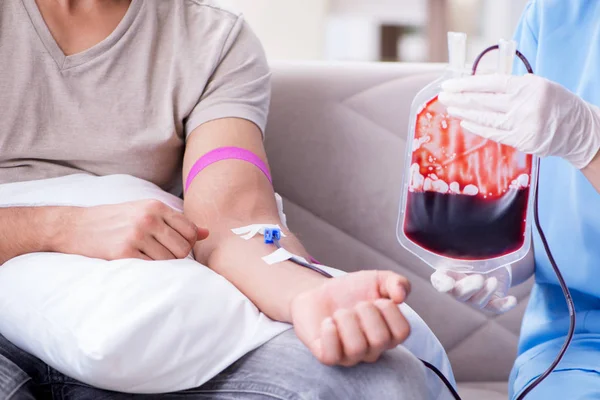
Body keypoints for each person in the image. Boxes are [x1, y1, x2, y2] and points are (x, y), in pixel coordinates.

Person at [0, 0, 435, 399]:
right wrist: (62, 227)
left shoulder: (213, 41)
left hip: (140, 323)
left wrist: (306, 293)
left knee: (381, 382)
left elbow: (234, 221)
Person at [432, 0, 600, 399]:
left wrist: (591, 142)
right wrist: (495, 255)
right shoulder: (556, 12)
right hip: (583, 344)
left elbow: (574, 137)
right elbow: (530, 200)